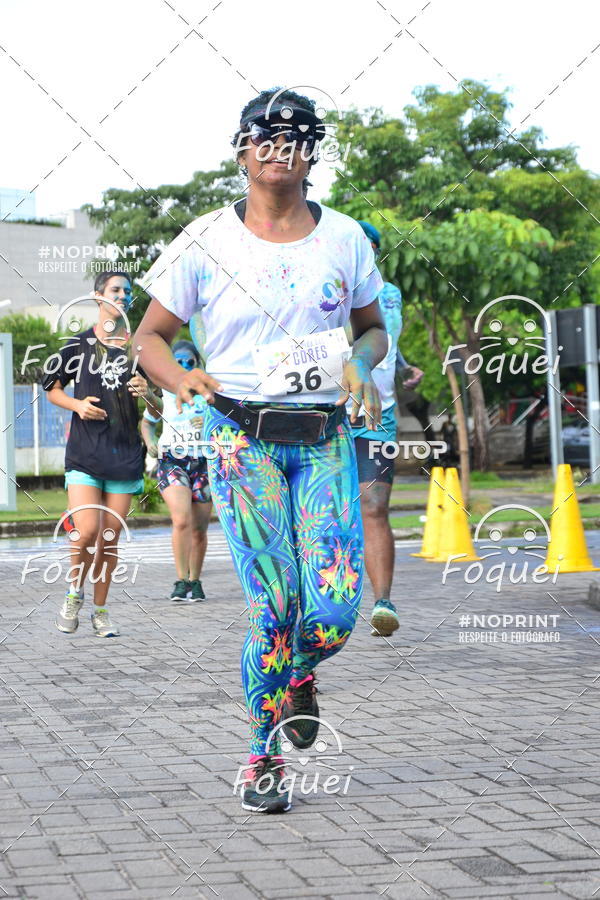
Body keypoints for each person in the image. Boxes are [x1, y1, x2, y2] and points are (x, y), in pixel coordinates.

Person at [134, 88, 387, 812]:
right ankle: (261, 753)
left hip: (325, 440)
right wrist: (183, 378)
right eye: (265, 138)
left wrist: (362, 362)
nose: (280, 149)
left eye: (297, 138)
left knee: (335, 613)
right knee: (273, 607)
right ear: (242, 150)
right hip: (239, 439)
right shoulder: (205, 239)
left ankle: (300, 673)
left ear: (312, 153)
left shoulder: (344, 239)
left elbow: (373, 328)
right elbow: (150, 335)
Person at [44, 270, 160, 637]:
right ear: (98, 296)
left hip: (124, 456)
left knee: (108, 539)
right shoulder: (77, 345)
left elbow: (158, 410)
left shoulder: (138, 349)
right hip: (85, 453)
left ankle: (100, 610)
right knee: (87, 529)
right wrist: (77, 405)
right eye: (116, 290)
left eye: (127, 291)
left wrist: (148, 393)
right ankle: (74, 592)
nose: (123, 296)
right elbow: (52, 388)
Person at [350, 222, 423, 638]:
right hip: (327, 414)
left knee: (374, 507)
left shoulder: (389, 294)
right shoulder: (326, 287)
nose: (366, 251)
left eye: (372, 246)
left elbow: (383, 339)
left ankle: (383, 603)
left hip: (380, 413)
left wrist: (404, 368)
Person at [141, 339, 212, 602]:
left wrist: (208, 426)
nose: (183, 366)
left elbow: (226, 426)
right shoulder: (165, 394)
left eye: (188, 362)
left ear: (197, 364)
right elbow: (148, 423)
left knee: (199, 529)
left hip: (204, 461)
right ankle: (181, 581)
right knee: (181, 520)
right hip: (173, 460)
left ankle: (195, 580)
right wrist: (150, 444)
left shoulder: (210, 397)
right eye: (178, 361)